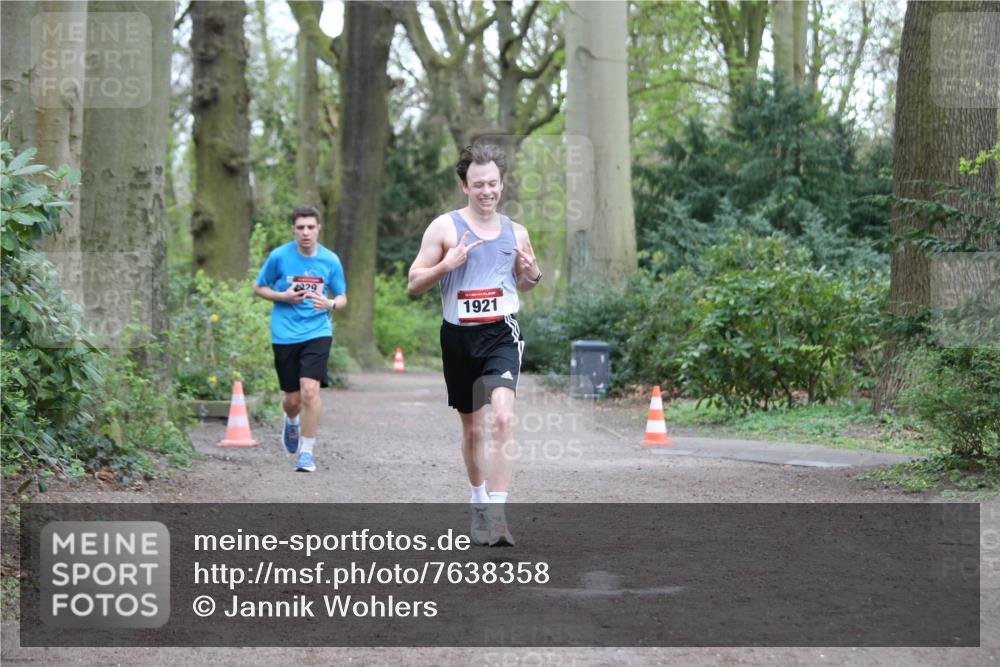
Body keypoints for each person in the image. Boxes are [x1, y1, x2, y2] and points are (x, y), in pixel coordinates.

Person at [407, 144, 542, 546]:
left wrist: (533, 274)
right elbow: (415, 283)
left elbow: (524, 282)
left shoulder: (516, 232)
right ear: (465, 185)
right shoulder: (444, 228)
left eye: (493, 183)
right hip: (459, 338)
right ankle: (478, 500)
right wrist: (446, 265)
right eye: (478, 184)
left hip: (501, 332)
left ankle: (498, 518)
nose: (487, 191)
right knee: (474, 431)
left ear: (502, 185)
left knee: (503, 418)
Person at [253, 205, 347, 473]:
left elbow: (342, 297)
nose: (305, 232)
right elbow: (259, 287)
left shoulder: (330, 260)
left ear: (319, 229)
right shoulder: (279, 257)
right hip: (284, 334)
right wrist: (284, 296)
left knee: (309, 390)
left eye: (310, 227)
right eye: (300, 228)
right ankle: (291, 420)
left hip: (317, 332)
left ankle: (306, 453)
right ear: (293, 230)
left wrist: (329, 303)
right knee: (293, 399)